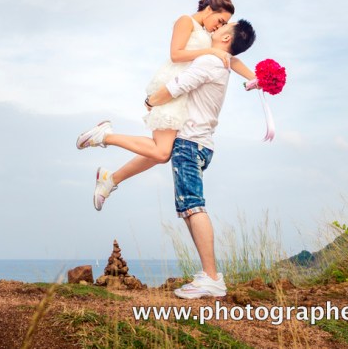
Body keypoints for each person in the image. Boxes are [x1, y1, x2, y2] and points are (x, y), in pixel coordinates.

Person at [77, 19, 257, 299]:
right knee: (186, 205)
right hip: (202, 145)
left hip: (189, 144)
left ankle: (211, 277)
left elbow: (176, 86)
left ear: (225, 38)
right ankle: (110, 171)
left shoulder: (210, 62)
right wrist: (255, 77)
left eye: (223, 27)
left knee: (194, 207)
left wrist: (150, 102)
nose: (216, 29)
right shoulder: (221, 63)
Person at [76, 0, 256, 209]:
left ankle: (111, 179)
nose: (221, 26)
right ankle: (105, 136)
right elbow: (176, 54)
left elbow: (231, 59)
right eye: (221, 20)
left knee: (163, 151)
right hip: (170, 85)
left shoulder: (211, 38)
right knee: (162, 153)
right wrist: (211, 51)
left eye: (225, 24)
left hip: (182, 94)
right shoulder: (185, 21)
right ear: (210, 9)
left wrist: (255, 78)